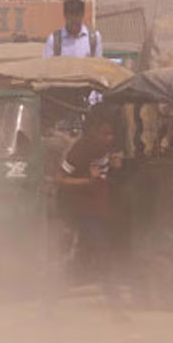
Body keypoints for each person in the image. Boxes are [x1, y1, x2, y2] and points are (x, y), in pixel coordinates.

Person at [56, 107, 126, 319]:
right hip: (84, 211)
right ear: (94, 131)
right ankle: (117, 309)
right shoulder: (81, 150)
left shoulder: (106, 149)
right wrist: (87, 181)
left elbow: (105, 176)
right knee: (104, 257)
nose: (109, 138)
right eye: (105, 134)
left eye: (111, 134)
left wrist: (115, 167)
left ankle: (49, 298)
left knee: (82, 261)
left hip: (101, 210)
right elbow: (60, 179)